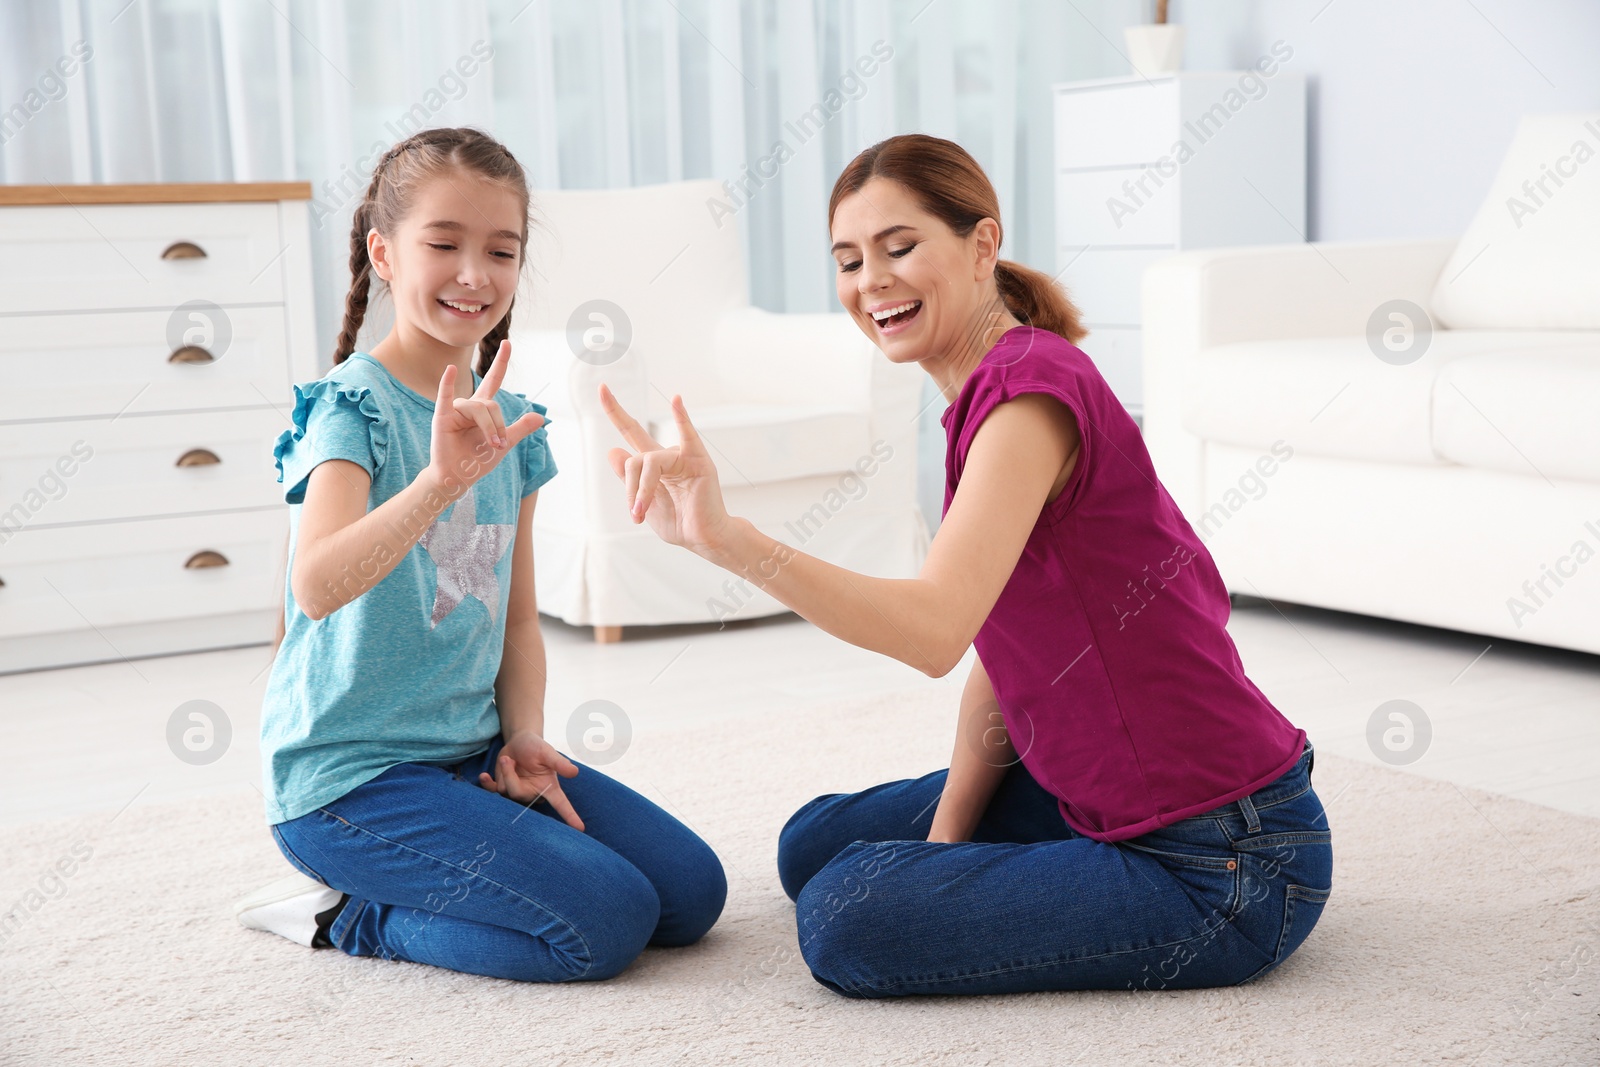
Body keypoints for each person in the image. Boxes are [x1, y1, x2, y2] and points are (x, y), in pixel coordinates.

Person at [599, 133, 1331, 999]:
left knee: (845, 914)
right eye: (848, 259)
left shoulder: (1025, 398)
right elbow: (1001, 650)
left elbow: (937, 630)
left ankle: (1077, 883)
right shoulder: (986, 393)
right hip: (1091, 797)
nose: (870, 280)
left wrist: (731, 540)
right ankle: (1037, 869)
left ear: (983, 245)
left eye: (899, 247)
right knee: (813, 844)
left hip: (1224, 860)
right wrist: (944, 849)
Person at [234, 127, 726, 982]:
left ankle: (456, 844)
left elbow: (519, 617)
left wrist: (524, 735)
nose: (475, 273)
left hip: (468, 756)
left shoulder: (517, 426)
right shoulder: (351, 410)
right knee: (605, 924)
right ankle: (355, 916)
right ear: (384, 254)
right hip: (346, 784)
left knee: (689, 896)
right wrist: (435, 481)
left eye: (502, 250)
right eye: (444, 243)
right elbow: (315, 586)